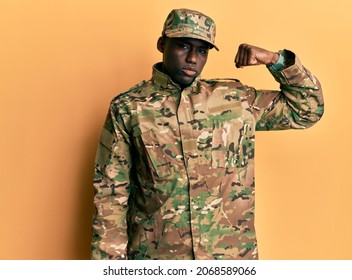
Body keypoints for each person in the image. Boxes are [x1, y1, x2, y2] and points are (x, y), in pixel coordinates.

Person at [90, 8, 324, 260]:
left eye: (202, 50)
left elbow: (306, 109)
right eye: (183, 46)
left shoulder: (234, 99)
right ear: (162, 44)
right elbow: (110, 195)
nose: (192, 58)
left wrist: (275, 60)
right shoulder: (129, 107)